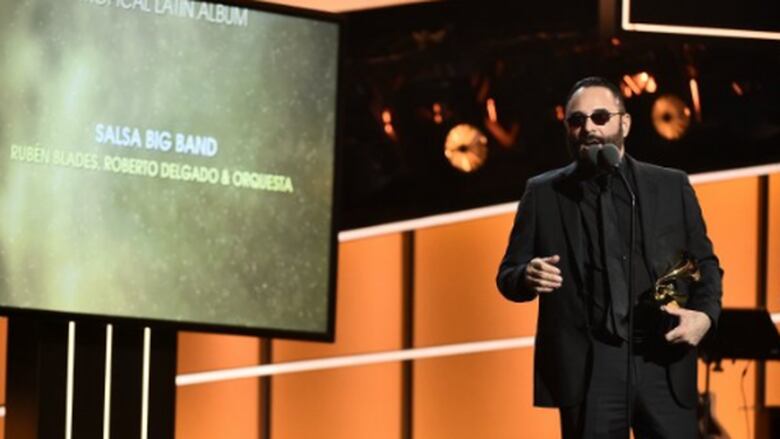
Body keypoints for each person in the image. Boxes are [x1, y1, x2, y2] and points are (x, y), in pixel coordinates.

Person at [496, 76, 723, 438]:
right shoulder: (542, 194)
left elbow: (706, 265)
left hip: (661, 357)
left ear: (625, 123)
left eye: (600, 117)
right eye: (577, 120)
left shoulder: (669, 185)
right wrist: (526, 275)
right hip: (590, 369)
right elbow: (507, 275)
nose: (589, 128)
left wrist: (705, 318)